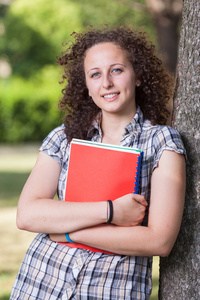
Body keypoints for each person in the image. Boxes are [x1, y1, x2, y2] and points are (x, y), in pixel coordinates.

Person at [10, 26, 186, 300]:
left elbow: (159, 240)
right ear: (87, 85)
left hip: (110, 289)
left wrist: (67, 233)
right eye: (95, 74)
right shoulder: (64, 137)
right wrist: (111, 212)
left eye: (116, 70)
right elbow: (28, 214)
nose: (106, 83)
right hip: (42, 282)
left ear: (138, 76)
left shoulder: (163, 142)